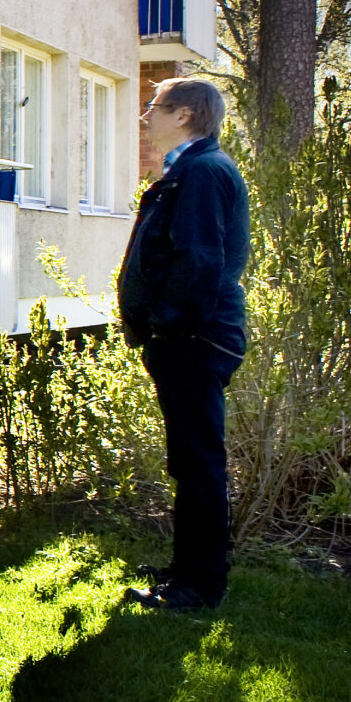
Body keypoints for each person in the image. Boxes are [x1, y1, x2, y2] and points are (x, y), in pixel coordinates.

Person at [117, 76, 250, 612]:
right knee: (190, 460)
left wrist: (167, 325)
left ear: (186, 115)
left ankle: (199, 587)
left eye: (155, 107)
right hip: (188, 337)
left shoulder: (202, 171)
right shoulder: (191, 169)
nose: (146, 116)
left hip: (195, 337)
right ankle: (189, 571)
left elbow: (200, 259)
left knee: (198, 462)